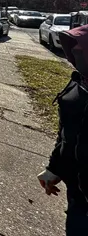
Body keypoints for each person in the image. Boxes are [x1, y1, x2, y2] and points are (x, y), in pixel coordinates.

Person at [38, 24, 88, 235]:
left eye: (81, 48)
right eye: (74, 47)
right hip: (76, 193)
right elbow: (67, 134)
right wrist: (54, 168)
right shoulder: (78, 85)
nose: (75, 52)